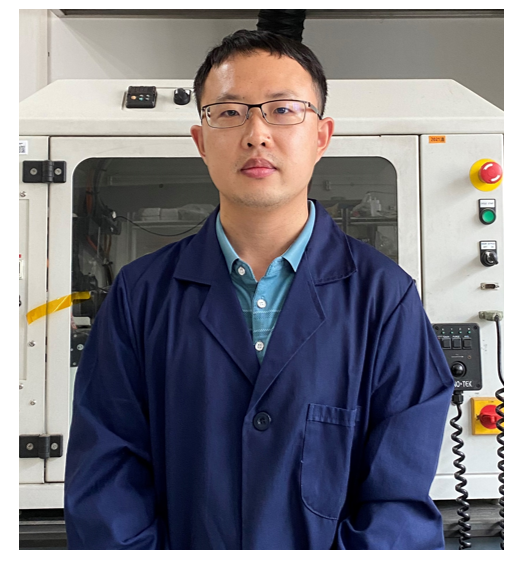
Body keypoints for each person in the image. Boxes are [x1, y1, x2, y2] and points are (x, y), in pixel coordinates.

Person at [64, 29, 454, 550]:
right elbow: (107, 491)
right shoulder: (140, 296)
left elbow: (396, 507)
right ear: (201, 141)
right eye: (229, 112)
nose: (256, 134)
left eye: (283, 110)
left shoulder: (385, 300)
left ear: (322, 136)